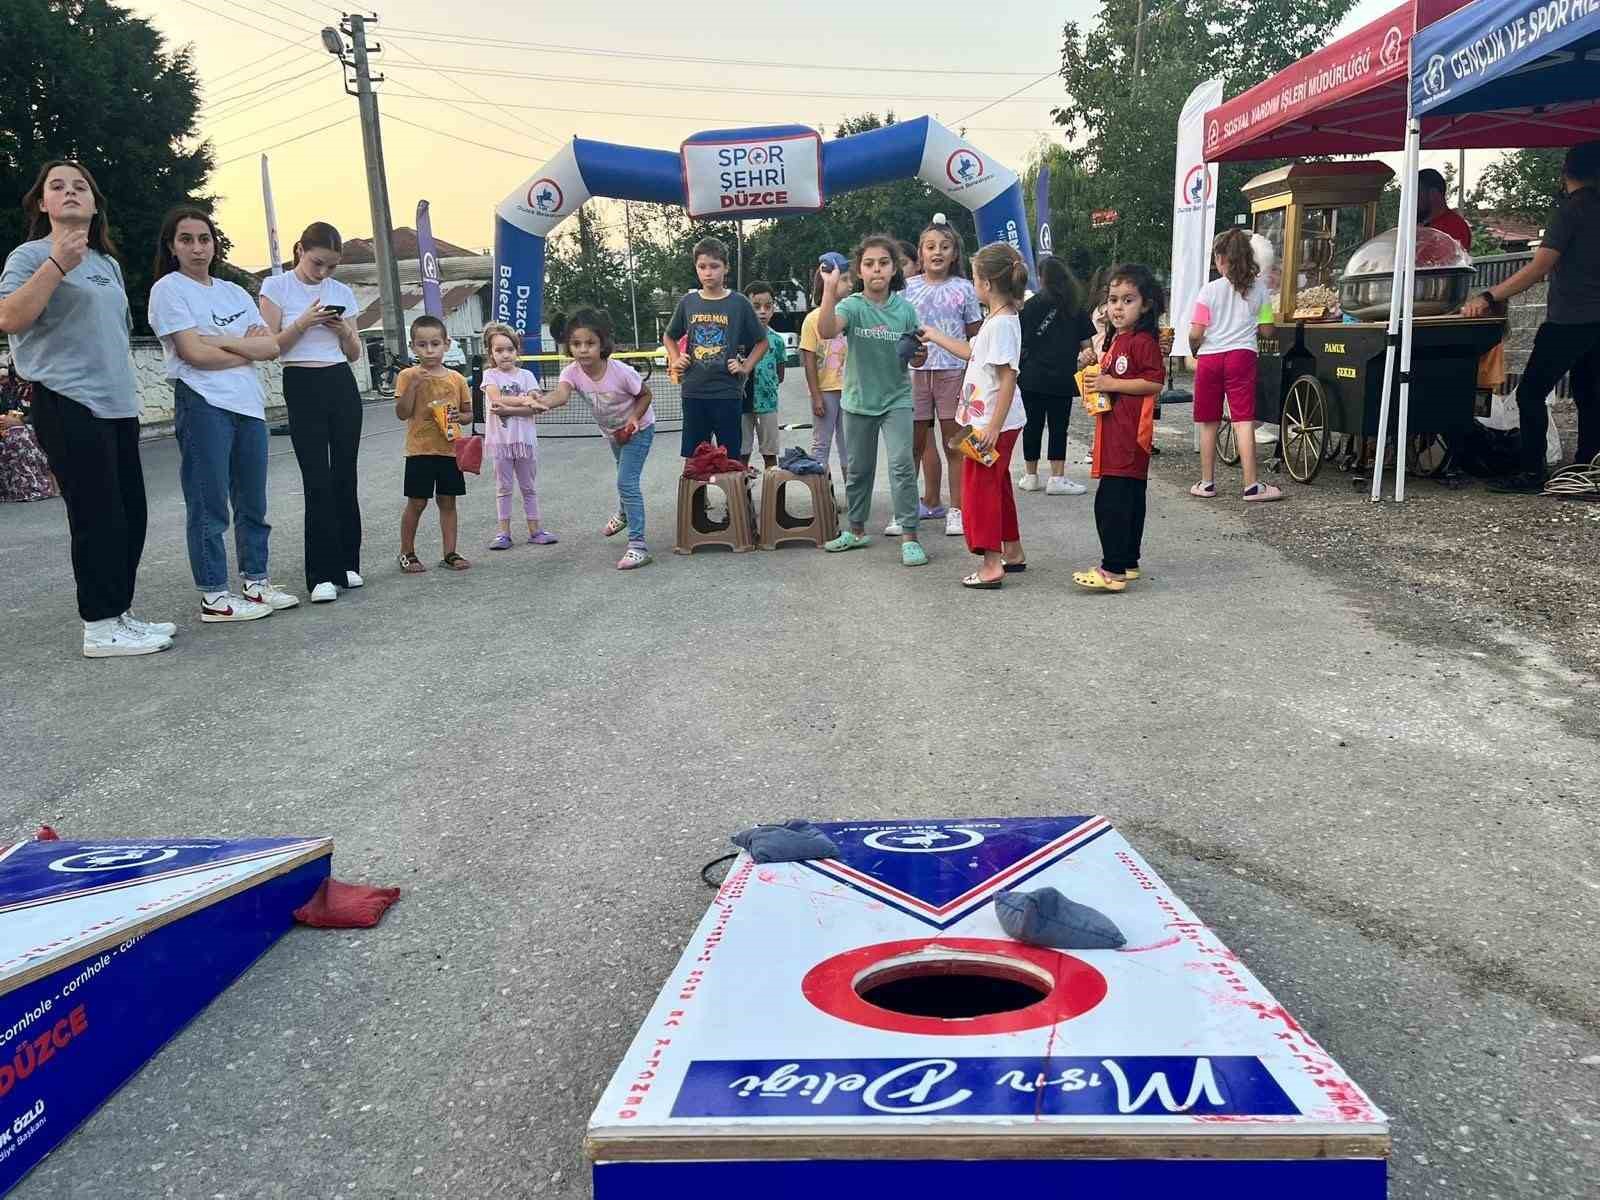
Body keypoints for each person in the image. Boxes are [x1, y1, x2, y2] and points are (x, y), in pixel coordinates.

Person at [0, 160, 174, 656]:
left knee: (129, 515)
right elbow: (9, 316)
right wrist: (56, 264)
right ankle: (99, 626)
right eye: (58, 187)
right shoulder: (30, 255)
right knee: (96, 517)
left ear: (94, 204)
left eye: (81, 187)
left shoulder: (108, 263)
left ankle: (119, 612)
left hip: (116, 404)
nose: (71, 192)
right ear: (42, 203)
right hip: (67, 400)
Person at [149, 205, 298, 623]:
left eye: (204, 239)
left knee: (253, 501)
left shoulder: (233, 292)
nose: (197, 248)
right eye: (186, 240)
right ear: (172, 246)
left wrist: (220, 341)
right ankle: (215, 595)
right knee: (208, 502)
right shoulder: (169, 290)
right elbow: (193, 354)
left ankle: (255, 582)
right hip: (203, 404)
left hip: (248, 407)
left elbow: (270, 348)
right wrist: (241, 346)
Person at [1462, 140, 1600, 493]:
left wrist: (1489, 294)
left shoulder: (1570, 211)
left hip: (1569, 320)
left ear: (1565, 170)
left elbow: (1539, 268)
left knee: (1531, 393)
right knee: (1589, 395)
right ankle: (1586, 469)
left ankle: (1531, 472)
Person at [258, 221, 366, 604]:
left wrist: (341, 329)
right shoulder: (276, 287)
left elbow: (354, 354)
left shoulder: (341, 292)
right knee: (316, 478)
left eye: (331, 267)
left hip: (340, 382)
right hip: (301, 382)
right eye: (317, 263)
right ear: (299, 250)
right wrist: (304, 322)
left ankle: (348, 563)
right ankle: (321, 573)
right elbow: (271, 347)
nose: (323, 273)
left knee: (345, 474)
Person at [919, 243, 1030, 588]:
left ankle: (991, 564)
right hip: (989, 421)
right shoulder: (997, 320)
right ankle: (1012, 551)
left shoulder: (1000, 325)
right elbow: (972, 353)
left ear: (985, 283)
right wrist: (936, 335)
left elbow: (1008, 376)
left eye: (975, 276)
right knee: (998, 486)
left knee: (980, 489)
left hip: (989, 425)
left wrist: (992, 429)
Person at [817, 235, 928, 565]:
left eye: (883, 263)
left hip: (897, 399)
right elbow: (825, 330)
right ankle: (856, 531)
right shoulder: (851, 306)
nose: (876, 269)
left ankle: (910, 536)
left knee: (902, 466)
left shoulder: (906, 310)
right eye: (869, 264)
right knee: (859, 470)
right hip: (858, 401)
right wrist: (829, 287)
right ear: (860, 271)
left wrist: (919, 356)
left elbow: (915, 356)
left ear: (894, 269)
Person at [540, 308, 656, 570]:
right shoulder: (571, 372)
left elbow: (646, 395)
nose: (583, 350)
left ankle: (638, 546)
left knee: (626, 481)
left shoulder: (621, 371)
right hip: (613, 433)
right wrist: (541, 402)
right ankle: (625, 513)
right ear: (569, 346)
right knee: (623, 476)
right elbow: (560, 395)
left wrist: (635, 418)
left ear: (602, 343)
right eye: (576, 344)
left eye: (590, 343)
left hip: (639, 428)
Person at [1074, 264, 1166, 593]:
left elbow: (1154, 382)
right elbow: (1110, 378)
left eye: (1128, 300)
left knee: (1111, 502)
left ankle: (1111, 569)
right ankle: (1128, 561)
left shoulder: (1141, 341)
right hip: (1116, 432)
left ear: (1146, 305)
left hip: (1128, 436)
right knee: (1129, 498)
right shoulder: (1118, 340)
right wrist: (1092, 365)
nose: (1117, 307)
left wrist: (1111, 380)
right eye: (1113, 299)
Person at [1188, 228, 1282, 502]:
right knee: (1243, 420)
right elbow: (1267, 331)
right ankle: (1251, 486)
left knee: (1208, 421)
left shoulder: (1209, 290)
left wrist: (1195, 349)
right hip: (1242, 355)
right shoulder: (1260, 290)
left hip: (1210, 357)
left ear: (1219, 259)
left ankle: (1206, 483)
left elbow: (1196, 332)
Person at [903, 215, 982, 537]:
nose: (937, 252)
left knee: (956, 445)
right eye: (930, 246)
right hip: (914, 375)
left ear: (954, 254)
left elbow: (975, 336)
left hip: (953, 373)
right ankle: (908, 509)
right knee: (913, 445)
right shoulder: (907, 288)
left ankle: (958, 510)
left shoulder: (965, 288)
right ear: (920, 252)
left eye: (944, 247)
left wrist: (973, 374)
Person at [662, 237, 766, 461]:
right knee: (695, 459)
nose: (708, 272)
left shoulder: (739, 303)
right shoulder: (688, 302)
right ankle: (698, 498)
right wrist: (675, 357)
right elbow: (669, 336)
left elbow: (762, 342)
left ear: (726, 268)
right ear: (696, 268)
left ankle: (736, 497)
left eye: (714, 266)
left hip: (728, 392)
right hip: (693, 392)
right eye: (702, 267)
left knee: (731, 458)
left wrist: (746, 366)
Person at [394, 314, 472, 572]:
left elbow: (469, 414)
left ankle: (450, 553)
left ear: (446, 344)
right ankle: (407, 553)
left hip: (450, 450)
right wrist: (414, 387)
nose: (429, 350)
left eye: (435, 344)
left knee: (448, 501)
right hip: (420, 451)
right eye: (422, 344)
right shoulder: (407, 376)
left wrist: (457, 416)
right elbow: (402, 413)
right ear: (413, 346)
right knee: (417, 502)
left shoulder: (457, 379)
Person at [1017, 254, 1095, 495]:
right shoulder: (1075, 307)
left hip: (1031, 377)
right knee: (1059, 426)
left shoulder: (1029, 306)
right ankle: (1057, 478)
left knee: (1032, 425)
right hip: (1062, 376)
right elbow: (1088, 347)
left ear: (1041, 278)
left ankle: (1030, 476)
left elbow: (1019, 342)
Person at [478, 322, 555, 551]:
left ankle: (535, 530)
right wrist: (524, 401)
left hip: (525, 442)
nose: (505, 355)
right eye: (499, 350)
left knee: (528, 487)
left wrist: (530, 400)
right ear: (491, 353)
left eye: (509, 349)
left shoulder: (527, 375)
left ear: (517, 350)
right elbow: (496, 398)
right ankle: (504, 533)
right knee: (503, 488)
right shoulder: (489, 375)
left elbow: (536, 404)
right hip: (501, 443)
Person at [800, 264, 851, 484]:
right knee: (821, 445)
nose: (850, 285)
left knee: (849, 446)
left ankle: (854, 496)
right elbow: (808, 359)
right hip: (826, 392)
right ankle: (821, 495)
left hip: (851, 391)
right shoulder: (812, 319)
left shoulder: (851, 313)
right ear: (826, 282)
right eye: (845, 279)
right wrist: (816, 395)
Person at [742, 281, 788, 469]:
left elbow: (780, 374)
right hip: (742, 404)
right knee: (741, 454)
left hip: (767, 404)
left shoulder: (776, 340)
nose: (762, 311)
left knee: (770, 455)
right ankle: (740, 497)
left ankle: (773, 496)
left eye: (767, 307)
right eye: (756, 306)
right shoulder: (738, 336)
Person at [1418, 168, 1473, 253]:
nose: (1413, 201)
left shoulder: (1454, 226)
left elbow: (1441, 262)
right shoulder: (1421, 222)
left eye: (1418, 194)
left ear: (1434, 194)